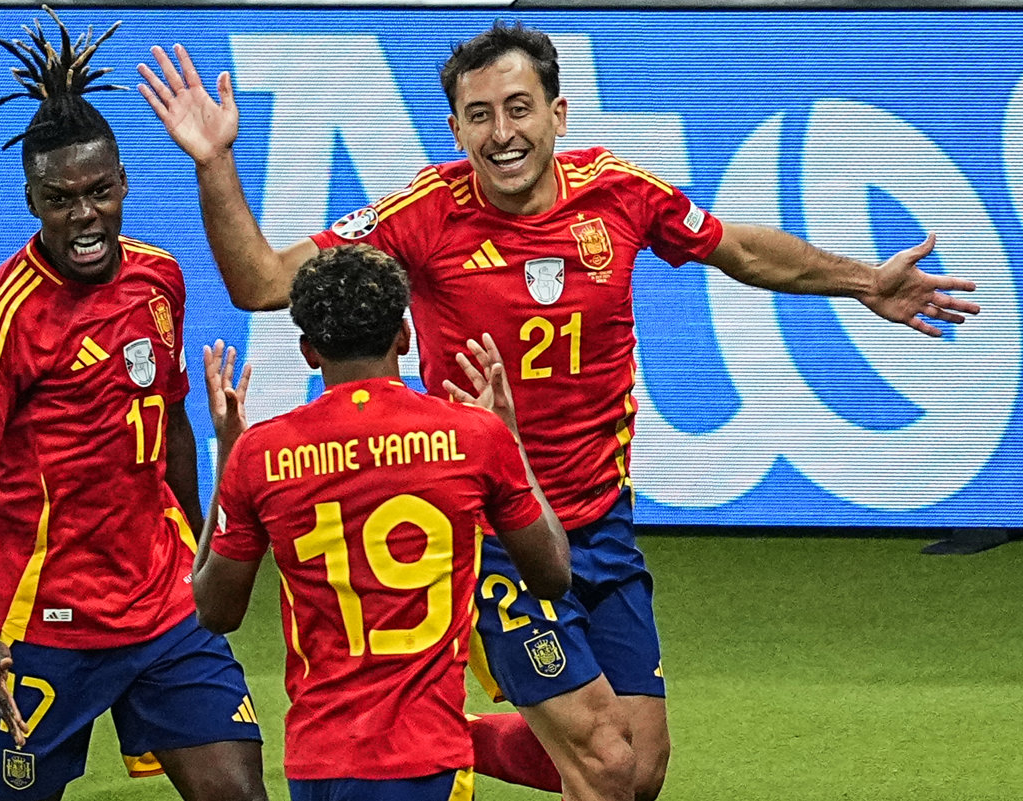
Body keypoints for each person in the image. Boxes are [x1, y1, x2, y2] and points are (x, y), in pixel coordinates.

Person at [137, 22, 980, 801]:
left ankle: (445, 735)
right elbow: (262, 281)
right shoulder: (423, 213)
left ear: (557, 113)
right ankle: (429, 739)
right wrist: (214, 161)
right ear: (456, 129)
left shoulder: (619, 192)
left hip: (601, 519)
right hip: (494, 528)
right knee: (604, 764)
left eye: (518, 108)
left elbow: (739, 248)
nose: (501, 132)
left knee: (640, 767)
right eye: (479, 116)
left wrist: (865, 280)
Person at [0, 9, 266, 801]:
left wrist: (200, 550)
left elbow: (171, 422)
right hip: (42, 622)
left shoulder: (159, 278)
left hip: (163, 602)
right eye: (60, 199)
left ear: (123, 184)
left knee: (239, 791)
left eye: (97, 192)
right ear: (32, 200)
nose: (84, 215)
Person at [191, 243, 572, 801]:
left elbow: (214, 612)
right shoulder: (475, 437)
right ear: (405, 336)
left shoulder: (262, 454)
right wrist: (511, 439)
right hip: (428, 757)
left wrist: (229, 455)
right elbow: (554, 575)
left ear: (308, 351)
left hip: (321, 761)